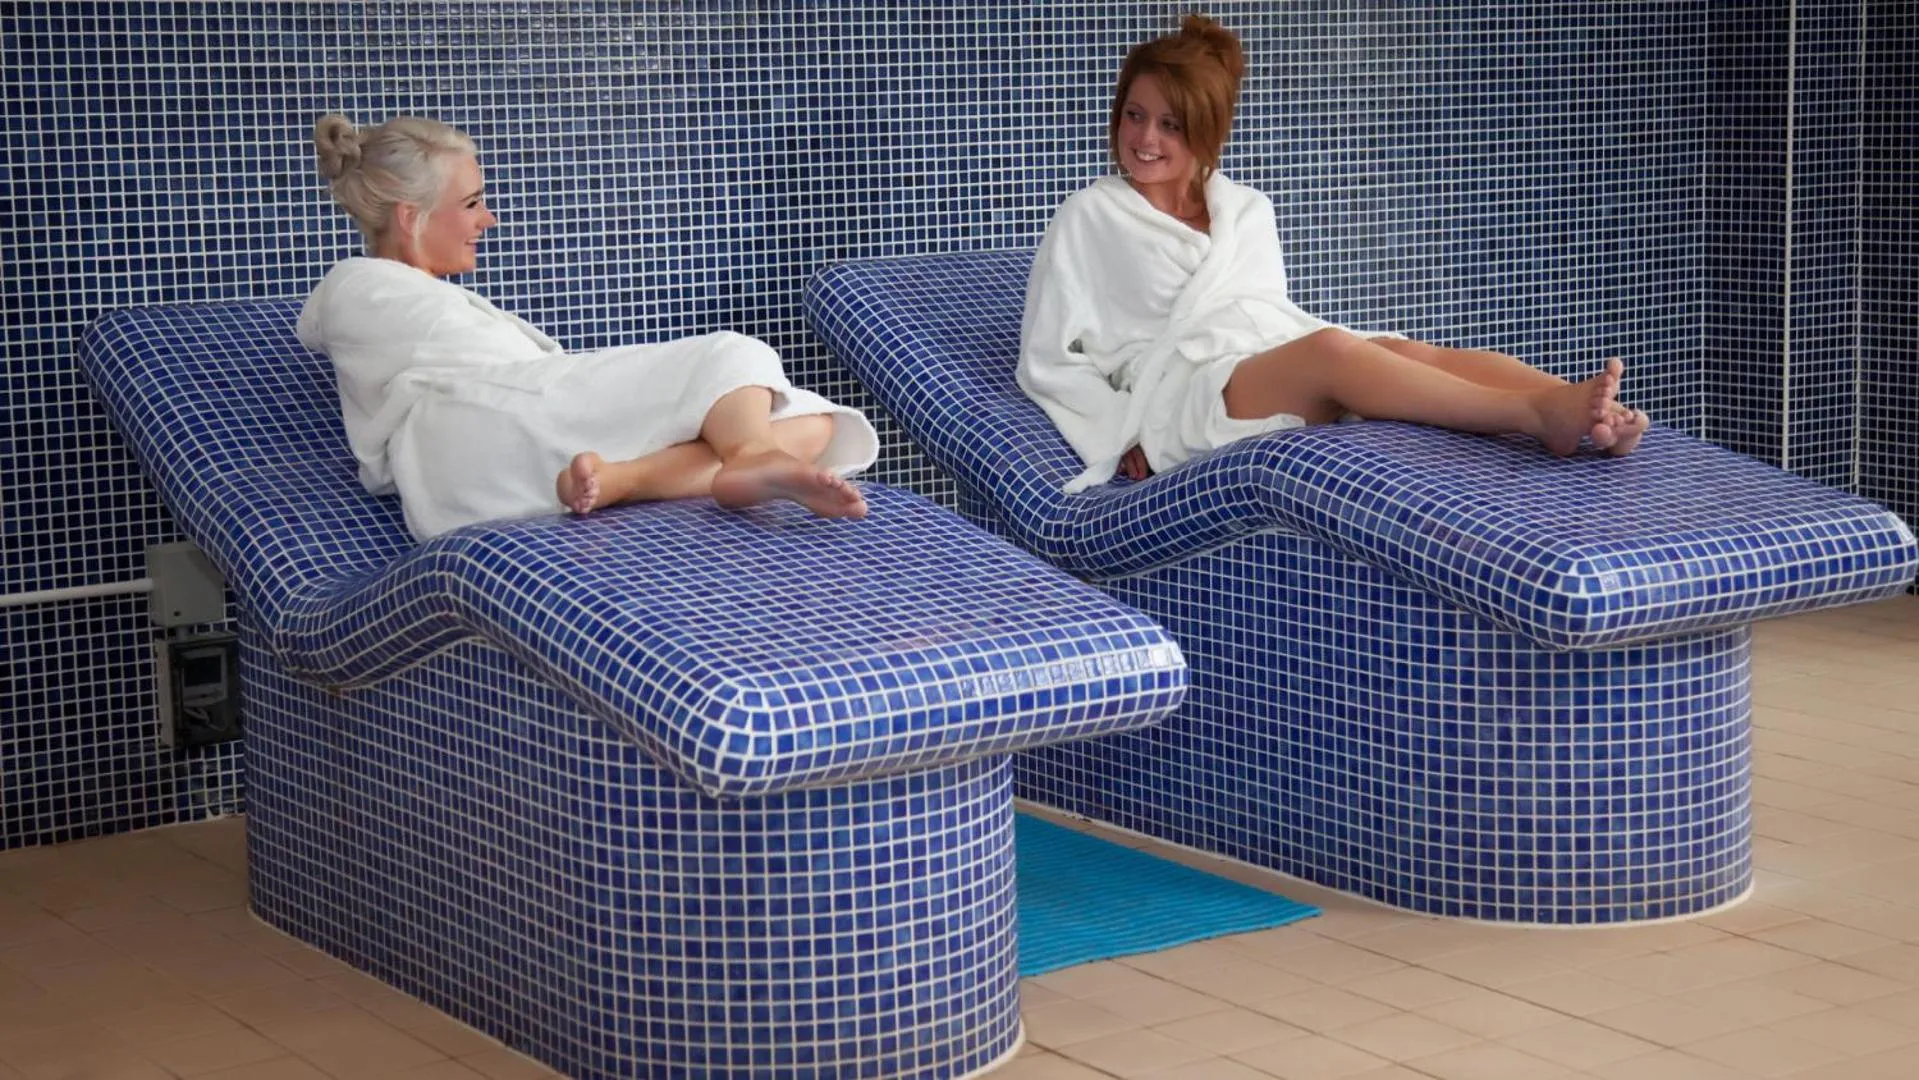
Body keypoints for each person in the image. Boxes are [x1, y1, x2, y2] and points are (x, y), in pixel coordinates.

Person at [1018, 15, 1650, 494]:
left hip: (1260, 360)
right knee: (1333, 351)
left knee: (1400, 352)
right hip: (1181, 396)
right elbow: (1047, 358)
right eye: (1134, 115)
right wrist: (1120, 433)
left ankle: (1591, 410)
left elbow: (1264, 314)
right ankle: (1536, 413)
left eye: (1170, 124)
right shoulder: (1091, 216)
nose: (1145, 139)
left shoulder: (1244, 209)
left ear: (1209, 131)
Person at [297, 114, 875, 541]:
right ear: (410, 216)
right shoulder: (358, 287)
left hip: (491, 459)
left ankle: (625, 478)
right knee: (731, 353)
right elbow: (519, 382)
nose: (487, 220)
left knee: (814, 427)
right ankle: (747, 454)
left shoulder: (402, 298)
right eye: (471, 203)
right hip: (469, 445)